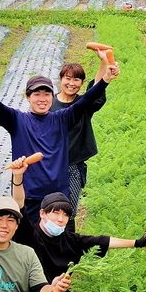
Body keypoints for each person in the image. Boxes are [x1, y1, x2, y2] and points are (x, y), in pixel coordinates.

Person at [0, 56, 119, 221]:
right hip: (28, 196)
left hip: (58, 196)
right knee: (28, 243)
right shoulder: (16, 120)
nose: (42, 99)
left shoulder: (62, 118)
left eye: (46, 94)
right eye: (36, 94)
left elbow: (87, 100)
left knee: (60, 243)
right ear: (28, 97)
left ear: (52, 97)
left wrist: (106, 79)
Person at [9, 159, 146, 292]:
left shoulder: (70, 239)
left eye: (65, 215)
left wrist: (137, 243)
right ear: (42, 213)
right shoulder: (29, 234)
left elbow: (103, 241)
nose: (61, 219)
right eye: (55, 213)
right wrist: (18, 177)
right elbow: (18, 204)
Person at [50, 48, 111, 228]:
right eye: (67, 78)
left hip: (73, 167)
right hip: (49, 166)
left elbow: (97, 89)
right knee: (47, 208)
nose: (71, 83)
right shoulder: (48, 103)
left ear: (82, 82)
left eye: (76, 79)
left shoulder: (83, 104)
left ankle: (67, 248)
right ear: (60, 80)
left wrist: (103, 62)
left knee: (68, 213)